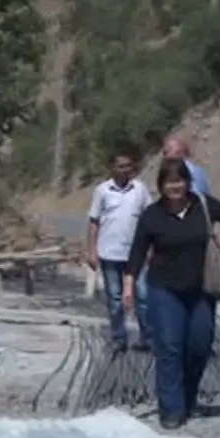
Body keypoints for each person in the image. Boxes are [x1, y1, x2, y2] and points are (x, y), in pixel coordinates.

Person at [123, 158, 220, 430]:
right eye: (169, 182)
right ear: (161, 186)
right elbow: (137, 253)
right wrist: (129, 284)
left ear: (188, 182)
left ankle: (188, 398)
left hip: (201, 289)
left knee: (199, 346)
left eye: (179, 181)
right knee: (170, 348)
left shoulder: (202, 205)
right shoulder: (152, 215)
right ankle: (171, 409)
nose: (175, 187)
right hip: (164, 290)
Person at [86, 144, 154, 353]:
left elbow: (151, 219)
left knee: (143, 297)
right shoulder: (102, 191)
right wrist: (91, 250)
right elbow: (94, 222)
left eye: (128, 166)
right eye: (120, 166)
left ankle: (148, 338)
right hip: (110, 254)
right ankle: (119, 338)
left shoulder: (140, 190)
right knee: (115, 299)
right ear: (113, 168)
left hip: (136, 255)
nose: (125, 170)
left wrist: (152, 248)